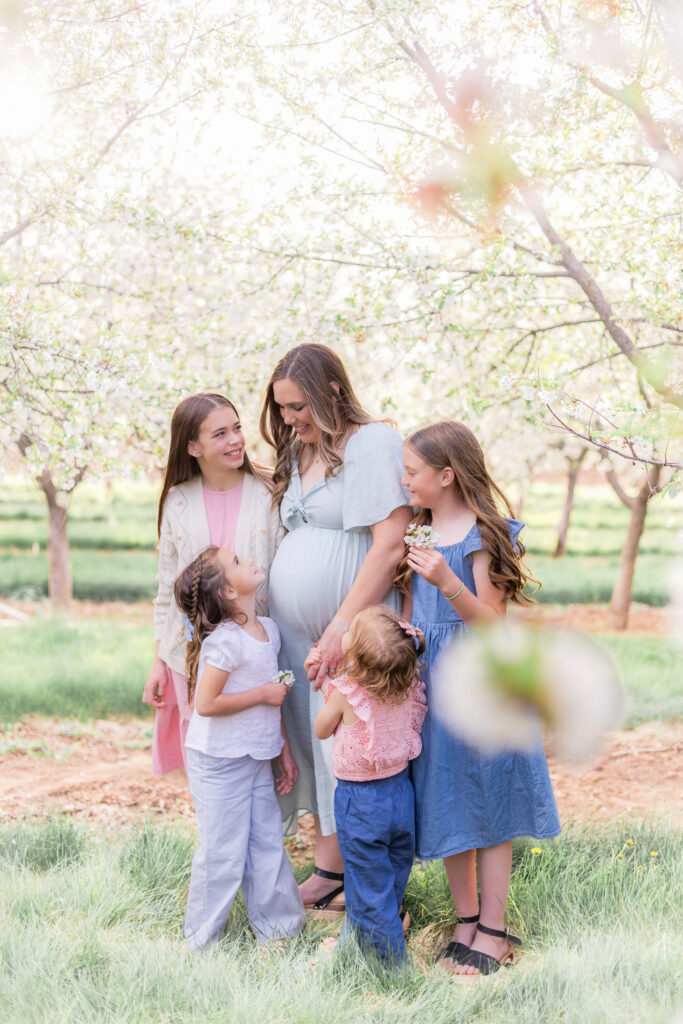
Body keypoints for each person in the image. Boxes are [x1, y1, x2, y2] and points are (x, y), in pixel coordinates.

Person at [400, 420, 560, 978]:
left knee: (490, 800)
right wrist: (409, 633)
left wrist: (447, 581)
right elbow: (413, 610)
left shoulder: (484, 535)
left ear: (446, 475)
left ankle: (494, 928)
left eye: (412, 472)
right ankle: (465, 918)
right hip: (430, 683)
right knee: (447, 796)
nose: (405, 481)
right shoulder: (417, 530)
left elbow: (490, 622)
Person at [260, 343, 411, 916]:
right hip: (302, 633)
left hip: (353, 626)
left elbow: (390, 541)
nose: (290, 420)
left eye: (298, 407)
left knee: (356, 748)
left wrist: (340, 627)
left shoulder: (372, 443)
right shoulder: (302, 451)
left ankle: (373, 878)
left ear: (332, 391)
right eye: (282, 410)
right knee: (313, 736)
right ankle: (330, 869)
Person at [173, 545, 306, 949]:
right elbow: (207, 704)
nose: (247, 559)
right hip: (218, 760)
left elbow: (272, 696)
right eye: (236, 563)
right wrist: (264, 694)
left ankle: (280, 928)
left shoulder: (268, 630)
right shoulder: (226, 641)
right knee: (223, 852)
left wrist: (281, 748)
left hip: (253, 755)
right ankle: (202, 940)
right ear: (229, 592)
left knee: (266, 841)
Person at [142, 392, 280, 774]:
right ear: (192, 446)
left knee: (259, 760)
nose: (235, 440)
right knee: (209, 766)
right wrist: (157, 661)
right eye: (219, 434)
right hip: (194, 657)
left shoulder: (270, 492)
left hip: (255, 654)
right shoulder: (177, 501)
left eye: (237, 428)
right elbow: (168, 591)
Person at [313, 606, 427, 964]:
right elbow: (411, 650)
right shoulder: (406, 681)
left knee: (365, 885)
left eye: (350, 631)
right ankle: (355, 942)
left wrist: (327, 690)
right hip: (400, 793)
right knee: (390, 876)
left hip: (360, 802)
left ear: (356, 656)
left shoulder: (346, 692)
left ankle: (392, 964)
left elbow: (321, 729)